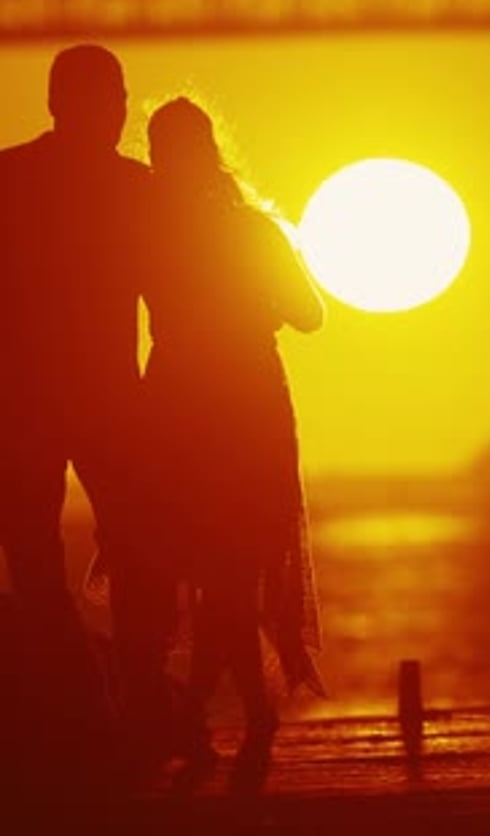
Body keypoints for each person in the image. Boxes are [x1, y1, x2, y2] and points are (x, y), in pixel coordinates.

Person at [0, 44, 171, 791]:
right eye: (114, 98)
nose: (119, 112)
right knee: (140, 553)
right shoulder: (139, 190)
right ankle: (132, 698)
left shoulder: (7, 179)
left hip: (24, 402)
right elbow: (175, 302)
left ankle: (77, 698)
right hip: (105, 401)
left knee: (36, 558)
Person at [144, 97, 325, 791]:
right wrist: (257, 296)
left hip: (180, 406)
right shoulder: (251, 231)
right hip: (246, 403)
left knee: (214, 573)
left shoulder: (145, 233)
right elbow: (309, 315)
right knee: (233, 574)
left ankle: (212, 716)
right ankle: (241, 717)